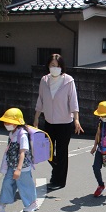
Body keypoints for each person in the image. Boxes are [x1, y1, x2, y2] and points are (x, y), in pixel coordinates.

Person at [33, 53, 83, 191]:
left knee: (61, 153)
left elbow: (74, 102)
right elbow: (40, 100)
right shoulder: (44, 80)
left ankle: (59, 181)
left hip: (65, 123)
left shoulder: (68, 81)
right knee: (45, 152)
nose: (55, 68)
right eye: (52, 65)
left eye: (58, 66)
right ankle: (57, 173)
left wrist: (76, 120)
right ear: (48, 66)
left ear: (62, 67)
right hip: (49, 122)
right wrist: (36, 117)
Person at [0, 108, 38, 212]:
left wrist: (19, 169)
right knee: (7, 184)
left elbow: (22, 153)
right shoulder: (13, 133)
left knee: (25, 185)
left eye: (8, 122)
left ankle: (32, 203)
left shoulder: (22, 134)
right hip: (12, 165)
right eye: (5, 122)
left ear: (16, 123)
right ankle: (1, 206)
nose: (5, 124)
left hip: (22, 167)